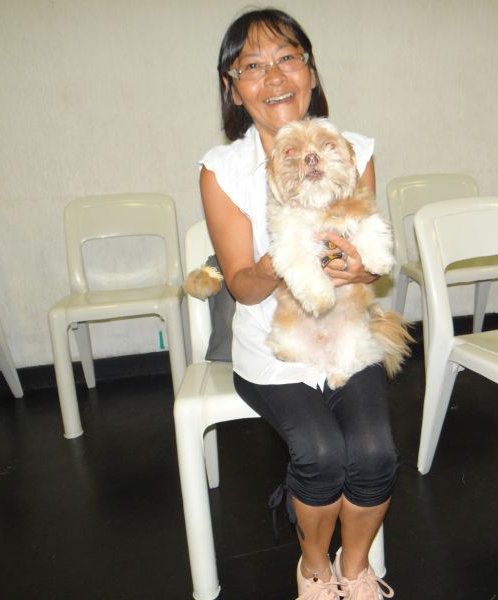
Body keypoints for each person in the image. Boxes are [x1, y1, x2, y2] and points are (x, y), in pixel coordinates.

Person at [199, 8, 398, 600]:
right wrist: (278, 262)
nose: (274, 76)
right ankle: (314, 569)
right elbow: (242, 287)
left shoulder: (350, 149)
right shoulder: (222, 170)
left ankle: (355, 569)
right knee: (320, 453)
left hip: (346, 331)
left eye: (287, 58)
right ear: (234, 87)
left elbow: (366, 245)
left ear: (310, 72)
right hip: (273, 344)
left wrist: (359, 265)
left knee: (375, 453)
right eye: (253, 66)